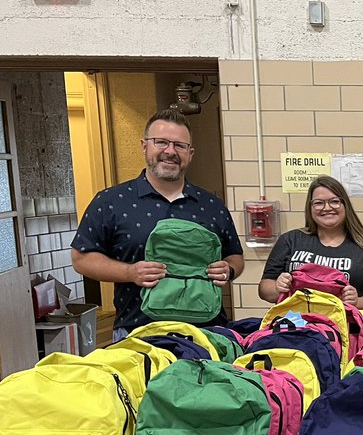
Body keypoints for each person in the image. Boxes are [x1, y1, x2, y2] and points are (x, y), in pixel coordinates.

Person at [71, 109, 243, 338]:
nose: (170, 151)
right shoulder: (111, 201)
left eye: (179, 145)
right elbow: (81, 258)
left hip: (207, 333)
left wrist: (228, 270)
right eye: (161, 142)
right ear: (145, 146)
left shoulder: (212, 205)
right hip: (137, 332)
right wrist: (130, 272)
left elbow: (236, 257)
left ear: (190, 153)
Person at [257, 175, 363, 310]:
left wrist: (357, 301)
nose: (327, 207)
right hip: (295, 324)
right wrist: (278, 287)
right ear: (310, 207)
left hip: (346, 326)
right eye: (318, 203)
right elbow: (264, 289)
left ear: (345, 205)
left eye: (335, 201)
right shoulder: (290, 240)